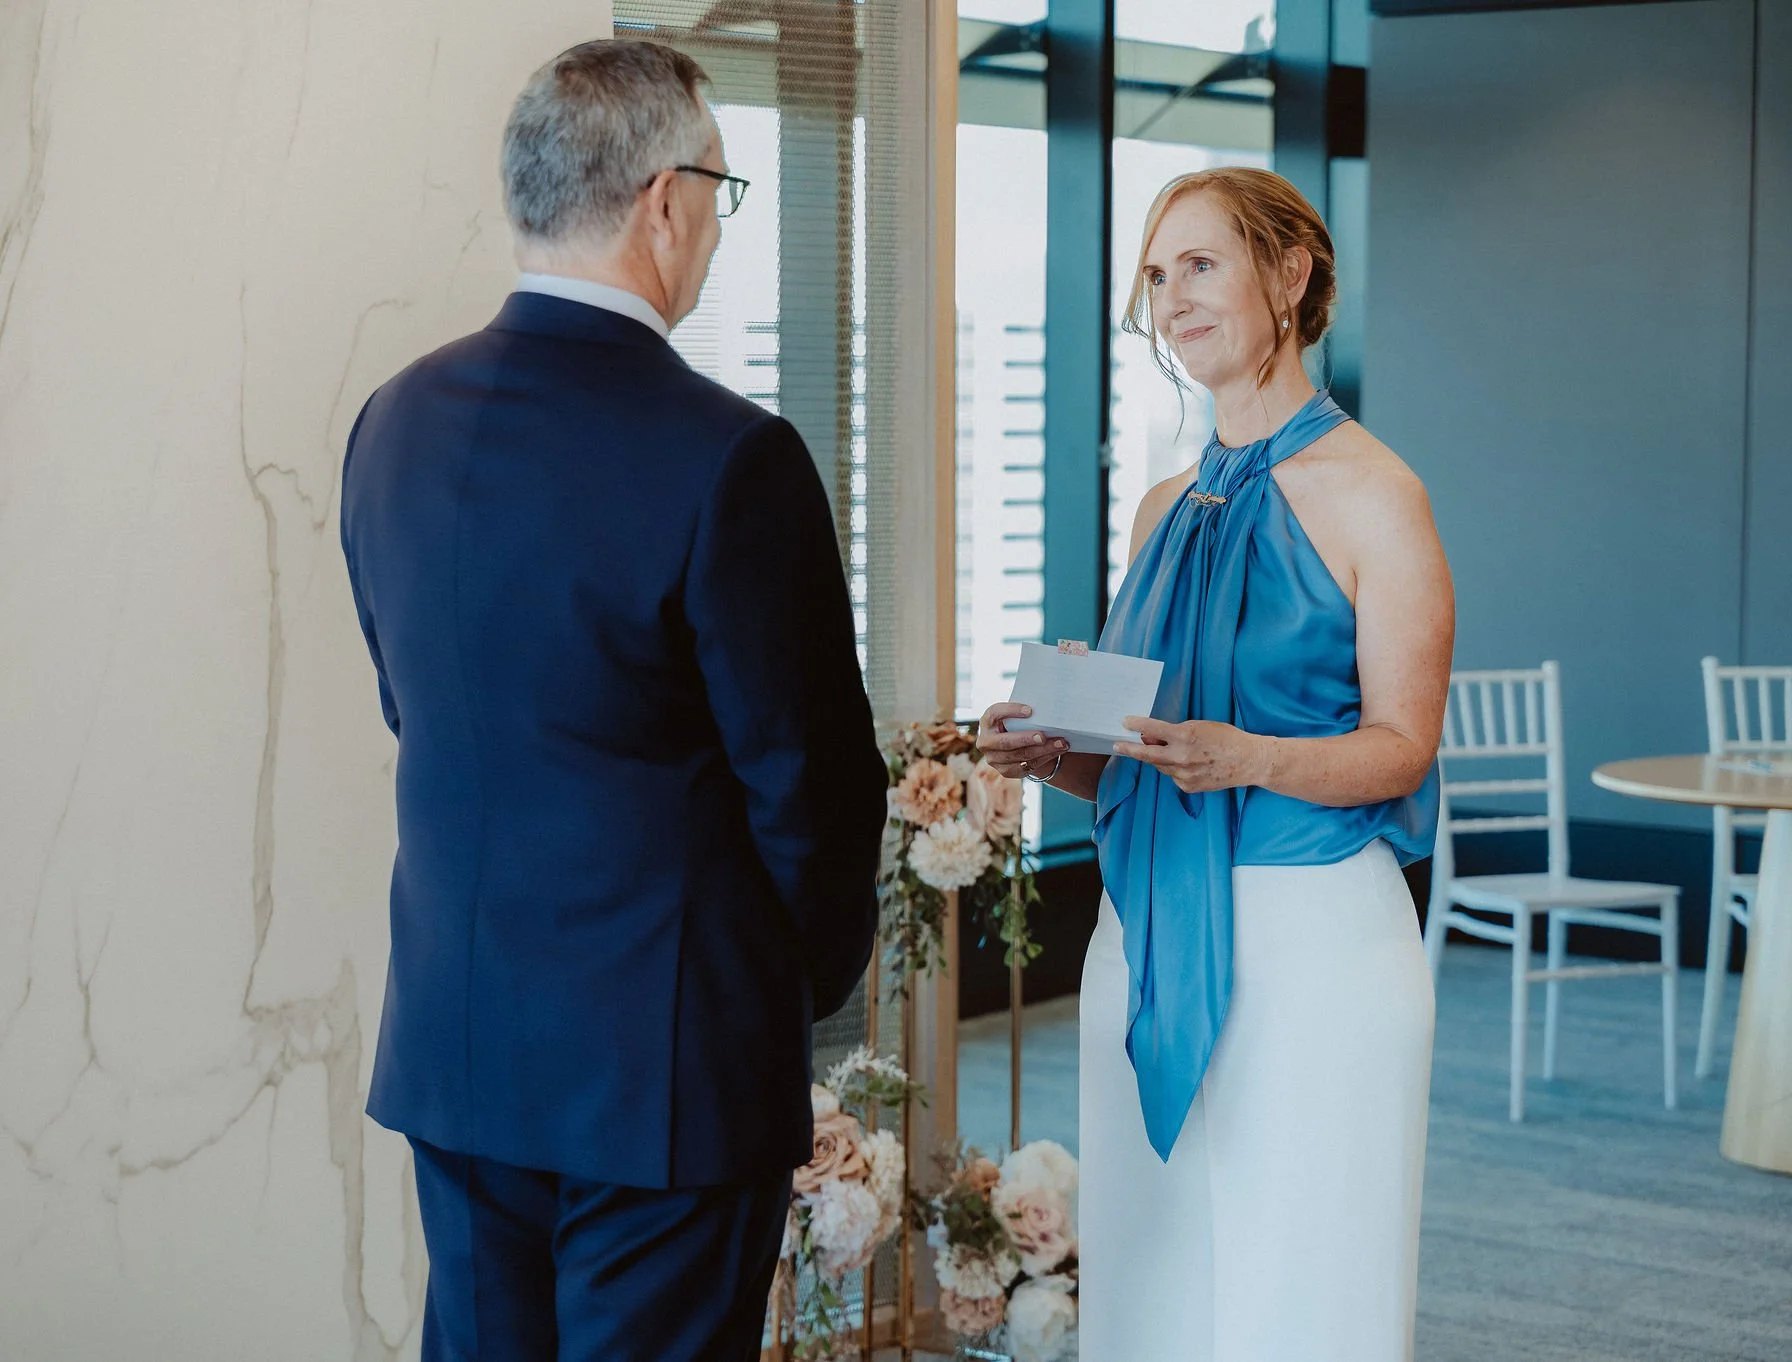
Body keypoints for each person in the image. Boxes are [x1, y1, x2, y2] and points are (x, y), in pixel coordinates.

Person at [338, 40, 885, 1362]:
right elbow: (809, 786)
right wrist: (795, 983)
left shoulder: (391, 421)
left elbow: (420, 708)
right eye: (722, 193)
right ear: (665, 198)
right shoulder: (730, 457)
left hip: (462, 1044)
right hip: (666, 1074)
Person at [981, 168, 1454, 1359]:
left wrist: (1248, 757)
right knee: (1152, 1287)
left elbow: (1402, 750)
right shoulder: (1157, 511)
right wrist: (1058, 753)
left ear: (1288, 276)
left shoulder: (1377, 495)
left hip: (1314, 949)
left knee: (1302, 1283)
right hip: (1138, 941)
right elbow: (1148, 762)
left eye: (1198, 265)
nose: (1169, 299)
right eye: (1153, 276)